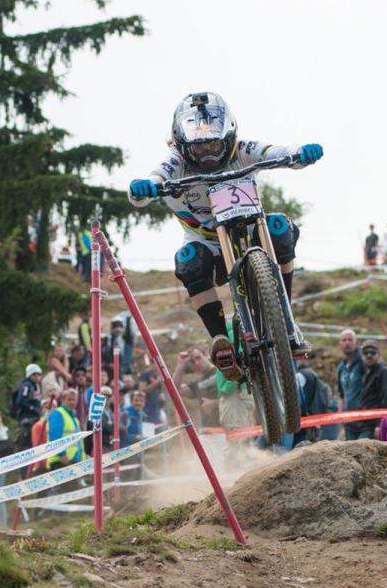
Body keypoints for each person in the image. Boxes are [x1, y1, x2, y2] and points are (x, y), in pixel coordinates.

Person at [128, 91, 323, 379]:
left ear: (228, 137)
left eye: (213, 143)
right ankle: (220, 340)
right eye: (200, 146)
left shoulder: (243, 149)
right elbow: (154, 179)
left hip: (249, 228)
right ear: (183, 145)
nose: (208, 152)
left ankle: (285, 316)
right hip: (207, 243)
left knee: (281, 227)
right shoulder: (175, 163)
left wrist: (301, 154)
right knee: (188, 261)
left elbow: (274, 152)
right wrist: (144, 187)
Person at [173, 345, 220, 428]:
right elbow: (174, 390)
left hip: (233, 426)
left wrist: (214, 403)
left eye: (198, 358)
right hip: (210, 431)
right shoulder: (197, 384)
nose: (197, 363)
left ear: (206, 354)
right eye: (193, 362)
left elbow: (240, 396)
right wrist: (181, 364)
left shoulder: (222, 371)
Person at [357, 341, 387, 440]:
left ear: (379, 355)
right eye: (365, 352)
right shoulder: (368, 374)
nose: (369, 355)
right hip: (365, 424)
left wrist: (380, 425)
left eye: (373, 352)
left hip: (374, 427)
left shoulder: (384, 372)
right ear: (361, 356)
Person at [295, 361, 340, 442]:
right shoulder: (313, 375)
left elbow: (297, 399)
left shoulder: (300, 375)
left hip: (304, 421)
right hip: (316, 419)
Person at [46, 388, 86, 473]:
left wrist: (82, 459)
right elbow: (55, 437)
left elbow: (79, 442)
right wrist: (62, 455)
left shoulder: (74, 419)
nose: (72, 402)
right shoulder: (58, 413)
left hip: (73, 461)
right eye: (69, 399)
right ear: (62, 400)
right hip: (61, 461)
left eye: (74, 400)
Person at [336, 329, 365, 441]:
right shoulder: (341, 367)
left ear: (356, 343)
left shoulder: (364, 362)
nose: (347, 342)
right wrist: (340, 416)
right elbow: (341, 394)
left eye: (350, 340)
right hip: (349, 420)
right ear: (340, 344)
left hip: (365, 418)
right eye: (344, 340)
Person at [14, 363, 43, 454]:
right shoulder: (27, 385)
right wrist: (32, 409)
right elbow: (21, 401)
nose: (37, 376)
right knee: (26, 444)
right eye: (35, 374)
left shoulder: (35, 387)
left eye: (38, 374)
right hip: (27, 420)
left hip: (34, 419)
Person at [138, 357, 165, 426]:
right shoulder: (144, 375)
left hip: (156, 410)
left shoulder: (156, 375)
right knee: (149, 434)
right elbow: (142, 390)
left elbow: (159, 390)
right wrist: (157, 382)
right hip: (147, 410)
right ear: (154, 363)